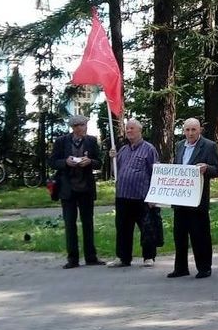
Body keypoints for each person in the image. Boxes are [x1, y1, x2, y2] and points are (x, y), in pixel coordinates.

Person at [168, 118, 218, 279]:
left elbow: (217, 170)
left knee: (200, 234)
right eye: (187, 130)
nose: (190, 133)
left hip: (198, 198)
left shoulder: (209, 146)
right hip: (180, 197)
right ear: (183, 131)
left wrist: (207, 168)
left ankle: (204, 267)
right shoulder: (179, 146)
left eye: (193, 130)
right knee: (180, 234)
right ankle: (181, 267)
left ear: (200, 130)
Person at [49, 115, 103, 269]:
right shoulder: (61, 141)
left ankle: (91, 257)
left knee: (88, 223)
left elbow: (99, 162)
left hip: (86, 188)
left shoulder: (92, 141)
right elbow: (52, 162)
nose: (83, 128)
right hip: (68, 189)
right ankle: (72, 259)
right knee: (70, 224)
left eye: (85, 125)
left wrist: (90, 162)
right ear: (74, 128)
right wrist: (65, 162)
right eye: (79, 126)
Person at [108, 119, 161, 268]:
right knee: (123, 228)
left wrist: (153, 195)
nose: (129, 131)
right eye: (127, 129)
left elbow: (155, 172)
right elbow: (116, 172)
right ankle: (123, 258)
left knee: (146, 227)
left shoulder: (149, 149)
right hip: (123, 196)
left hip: (141, 196)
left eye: (132, 128)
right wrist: (113, 159)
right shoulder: (123, 150)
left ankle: (149, 257)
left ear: (140, 131)